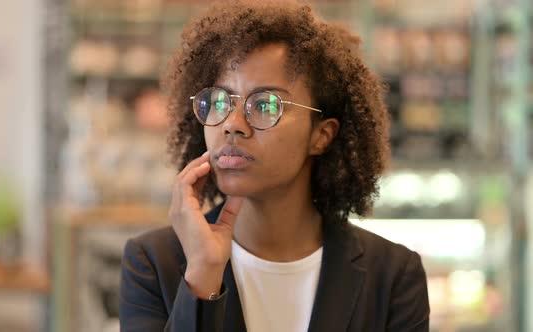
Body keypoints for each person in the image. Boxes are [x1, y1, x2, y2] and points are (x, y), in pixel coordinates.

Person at [119, 1, 430, 331]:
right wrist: (203, 273)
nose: (232, 124)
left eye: (265, 104)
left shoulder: (392, 276)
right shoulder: (154, 262)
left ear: (321, 136)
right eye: (220, 101)